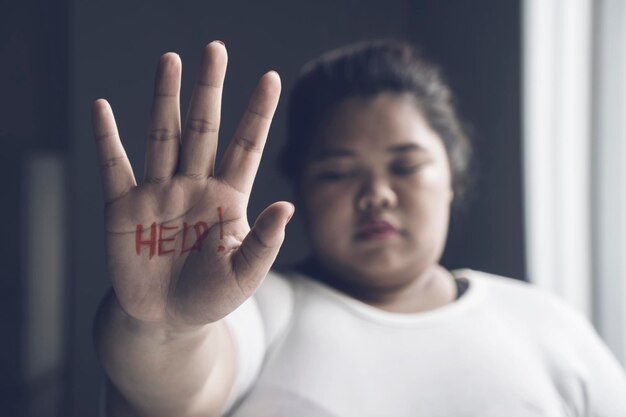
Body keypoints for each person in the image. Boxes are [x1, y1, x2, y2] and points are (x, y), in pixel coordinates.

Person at [93, 40, 626, 417]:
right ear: (300, 189)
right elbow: (178, 390)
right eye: (339, 172)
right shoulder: (264, 311)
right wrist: (167, 329)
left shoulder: (549, 325)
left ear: (454, 179)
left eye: (406, 165)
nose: (377, 195)